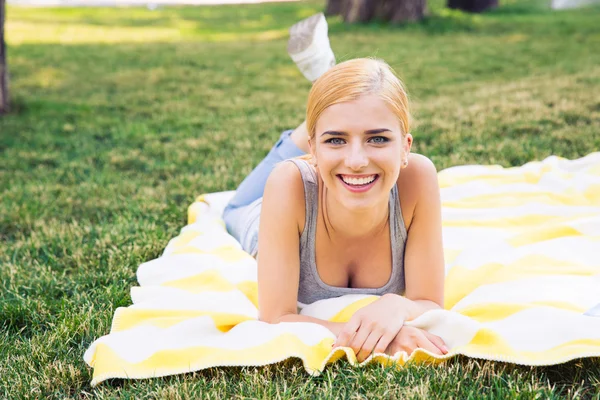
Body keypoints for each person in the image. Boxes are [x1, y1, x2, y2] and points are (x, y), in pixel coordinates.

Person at [222, 13, 447, 361]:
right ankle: (327, 90)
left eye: (378, 138)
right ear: (312, 150)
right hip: (261, 212)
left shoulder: (417, 178)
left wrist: (395, 306)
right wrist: (379, 338)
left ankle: (331, 89)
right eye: (336, 141)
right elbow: (274, 318)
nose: (357, 160)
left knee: (342, 122)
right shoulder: (288, 181)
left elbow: (429, 300)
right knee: (231, 209)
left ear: (405, 147)